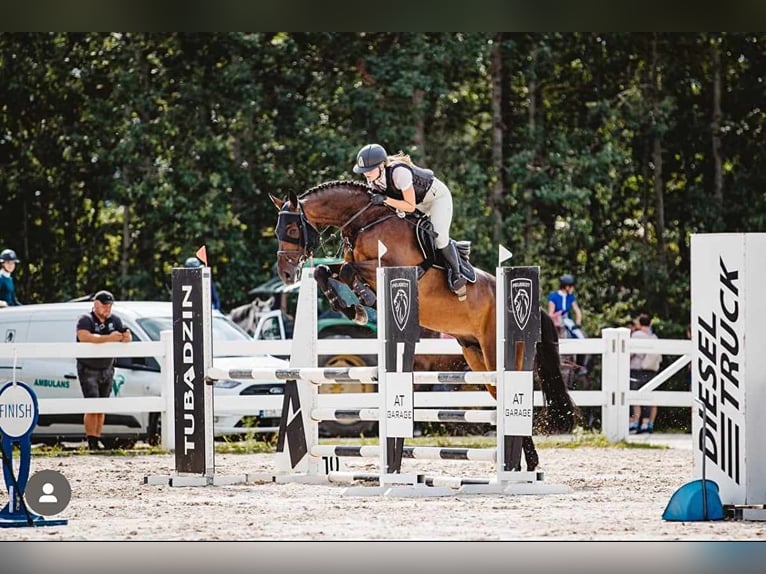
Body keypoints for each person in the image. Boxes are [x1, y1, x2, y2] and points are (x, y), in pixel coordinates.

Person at [352, 143, 466, 297]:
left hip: (436, 198)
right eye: (364, 171)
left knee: (439, 236)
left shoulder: (399, 173)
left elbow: (410, 206)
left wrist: (385, 199)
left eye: (369, 170)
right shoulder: (373, 180)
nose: (366, 174)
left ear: (381, 165)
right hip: (416, 203)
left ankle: (456, 273)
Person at [76, 290, 132, 450]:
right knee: (92, 403)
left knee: (102, 404)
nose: (108, 309)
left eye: (110, 306)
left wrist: (127, 337)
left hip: (107, 367)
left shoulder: (115, 320)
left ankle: (97, 437)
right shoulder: (86, 319)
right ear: (96, 304)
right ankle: (91, 439)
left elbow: (125, 334)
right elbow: (84, 337)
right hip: (89, 367)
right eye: (105, 305)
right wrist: (109, 338)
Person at [628, 313, 662, 434]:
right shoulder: (654, 337)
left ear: (639, 323)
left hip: (637, 369)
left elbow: (631, 353)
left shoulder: (636, 335)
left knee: (635, 397)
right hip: (652, 371)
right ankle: (646, 424)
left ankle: (635, 422)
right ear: (650, 323)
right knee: (649, 398)